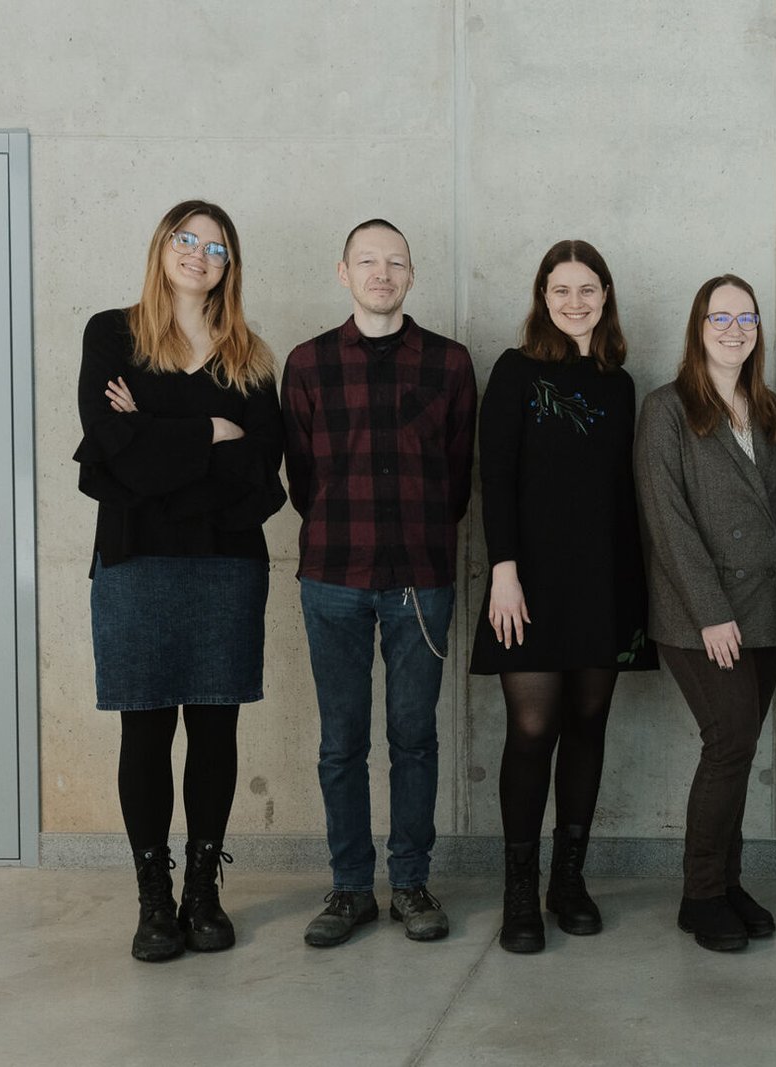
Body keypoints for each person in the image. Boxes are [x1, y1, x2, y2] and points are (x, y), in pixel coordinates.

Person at [74, 199, 285, 962]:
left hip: (227, 565)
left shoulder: (250, 356)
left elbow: (260, 470)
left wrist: (155, 441)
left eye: (216, 246)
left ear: (230, 266)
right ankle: (154, 898)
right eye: (186, 239)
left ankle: (202, 890)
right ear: (162, 246)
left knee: (216, 727)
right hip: (135, 560)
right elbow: (107, 446)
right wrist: (207, 432)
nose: (199, 253)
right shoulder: (113, 333)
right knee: (145, 727)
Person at [281, 219, 477, 948]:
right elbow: (302, 476)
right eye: (367, 261)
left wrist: (418, 533)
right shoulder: (308, 363)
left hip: (420, 580)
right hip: (332, 576)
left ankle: (412, 883)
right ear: (344, 273)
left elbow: (457, 475)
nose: (382, 273)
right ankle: (351, 888)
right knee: (341, 743)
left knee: (414, 739)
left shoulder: (450, 363)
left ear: (411, 275)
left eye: (395, 262)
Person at [472, 239, 657, 954]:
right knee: (531, 729)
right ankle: (519, 889)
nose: (574, 302)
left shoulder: (620, 383)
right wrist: (504, 571)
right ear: (542, 298)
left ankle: (567, 881)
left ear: (605, 296)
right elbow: (496, 477)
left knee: (588, 723)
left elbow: (618, 493)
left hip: (605, 579)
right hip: (530, 581)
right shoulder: (515, 370)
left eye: (586, 289)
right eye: (561, 290)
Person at [634, 274, 776, 953]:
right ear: (698, 327)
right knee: (728, 743)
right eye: (719, 317)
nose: (733, 329)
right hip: (701, 615)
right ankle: (700, 894)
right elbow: (666, 518)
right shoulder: (666, 408)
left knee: (741, 748)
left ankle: (728, 882)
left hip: (765, 612)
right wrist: (710, 612)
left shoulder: (769, 409)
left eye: (745, 317)